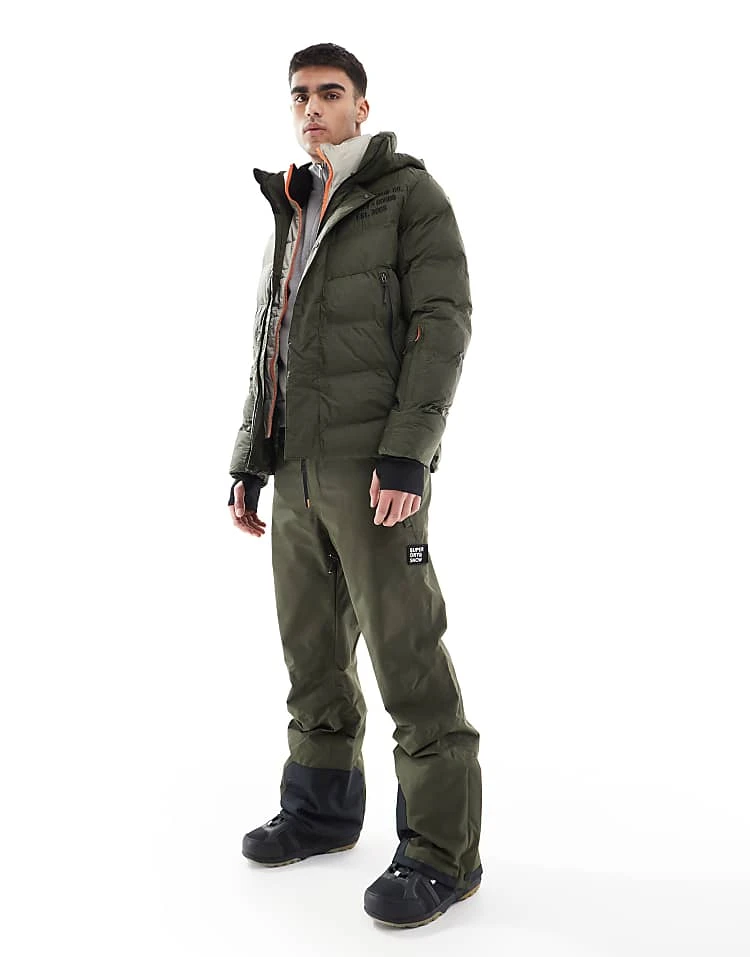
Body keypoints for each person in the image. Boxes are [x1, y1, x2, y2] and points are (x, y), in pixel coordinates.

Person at [227, 42, 482, 929]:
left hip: (375, 470)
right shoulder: (294, 204)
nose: (312, 107)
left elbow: (443, 321)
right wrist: (250, 457)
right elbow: (272, 337)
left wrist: (409, 453)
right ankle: (321, 811)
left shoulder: (409, 196)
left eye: (329, 93)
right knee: (312, 654)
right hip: (295, 466)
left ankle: (444, 852)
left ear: (361, 108)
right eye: (300, 94)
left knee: (406, 654)